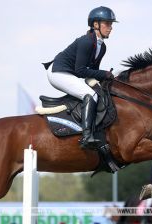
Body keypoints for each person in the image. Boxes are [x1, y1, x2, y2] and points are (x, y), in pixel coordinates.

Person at [46, 6, 117, 149]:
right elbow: (80, 70)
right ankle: (86, 136)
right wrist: (104, 74)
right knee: (90, 94)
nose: (110, 27)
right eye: (107, 23)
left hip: (69, 72)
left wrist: (105, 78)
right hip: (57, 72)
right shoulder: (86, 41)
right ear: (95, 24)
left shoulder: (102, 47)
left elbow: (92, 71)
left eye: (111, 24)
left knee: (97, 92)